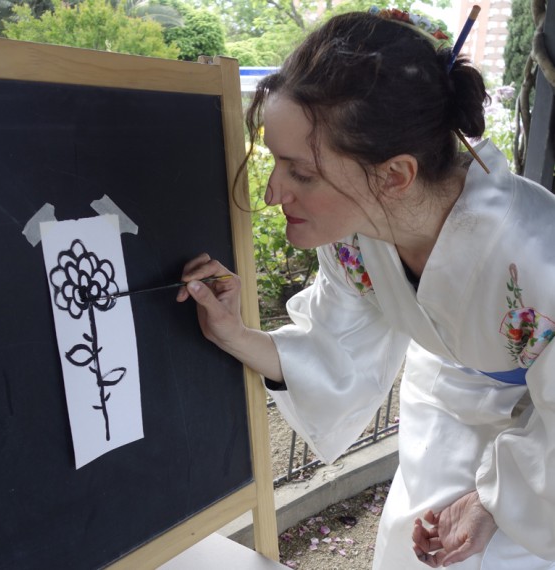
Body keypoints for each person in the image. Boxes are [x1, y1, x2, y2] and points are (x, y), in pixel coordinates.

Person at [176, 10, 555, 570]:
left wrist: (498, 500)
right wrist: (235, 334)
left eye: (300, 173)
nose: (275, 192)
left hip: (540, 433)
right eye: (273, 161)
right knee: (412, 548)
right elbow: (337, 347)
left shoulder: (538, 255)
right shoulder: (357, 233)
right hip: (443, 404)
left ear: (396, 174)